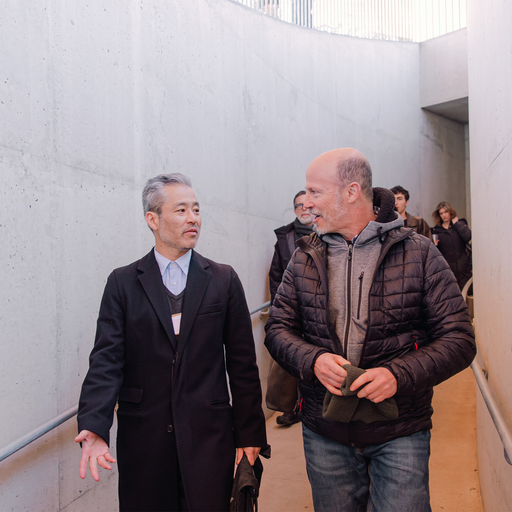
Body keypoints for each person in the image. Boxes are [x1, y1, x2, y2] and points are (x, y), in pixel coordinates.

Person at [265, 148, 476, 512]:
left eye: (315, 192)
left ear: (350, 192)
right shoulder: (304, 256)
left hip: (401, 431)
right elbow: (278, 329)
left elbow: (459, 338)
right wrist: (313, 360)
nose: (307, 203)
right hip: (324, 431)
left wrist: (397, 374)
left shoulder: (420, 253)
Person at [76, 173, 267, 512]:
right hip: (145, 438)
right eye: (180, 210)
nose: (193, 218)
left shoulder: (223, 279)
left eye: (196, 209)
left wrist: (250, 434)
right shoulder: (122, 283)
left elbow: (242, 365)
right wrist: (94, 425)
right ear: (153, 219)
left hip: (210, 436)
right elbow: (106, 361)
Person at [267, 190, 314, 427]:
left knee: (315, 360)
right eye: (299, 206)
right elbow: (275, 274)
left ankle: (311, 406)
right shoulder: (284, 236)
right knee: (293, 360)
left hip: (318, 311)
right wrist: (280, 306)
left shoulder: (326, 231)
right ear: (294, 209)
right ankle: (293, 408)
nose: (304, 209)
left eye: (308, 205)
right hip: (291, 310)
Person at [432, 201, 472, 290]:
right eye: (441, 213)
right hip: (448, 270)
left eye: (446, 212)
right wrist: (435, 245)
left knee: (466, 294)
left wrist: (457, 224)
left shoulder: (459, 224)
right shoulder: (436, 231)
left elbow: (467, 237)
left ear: (450, 212)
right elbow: (436, 253)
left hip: (463, 269)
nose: (444, 215)